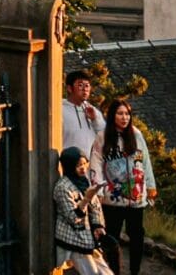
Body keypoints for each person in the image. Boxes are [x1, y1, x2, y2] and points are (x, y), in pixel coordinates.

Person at [101, 98, 153, 274]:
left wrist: (150, 186)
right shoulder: (103, 137)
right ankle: (113, 271)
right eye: (120, 113)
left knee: (137, 236)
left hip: (135, 198)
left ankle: (135, 272)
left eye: (127, 114)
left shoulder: (136, 135)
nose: (124, 117)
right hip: (112, 198)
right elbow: (96, 164)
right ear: (112, 115)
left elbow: (146, 162)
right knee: (112, 236)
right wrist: (100, 190)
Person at [54, 146, 112, 275]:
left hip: (89, 238)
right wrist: (86, 198)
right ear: (69, 166)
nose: (83, 168)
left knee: (106, 272)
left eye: (85, 163)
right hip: (74, 239)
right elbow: (73, 218)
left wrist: (98, 225)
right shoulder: (63, 187)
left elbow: (96, 206)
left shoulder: (84, 182)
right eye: (78, 165)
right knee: (92, 272)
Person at [61, 72, 106, 161]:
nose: (85, 89)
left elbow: (105, 137)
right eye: (80, 85)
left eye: (87, 86)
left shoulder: (93, 111)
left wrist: (94, 119)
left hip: (91, 167)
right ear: (69, 88)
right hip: (69, 167)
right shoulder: (60, 110)